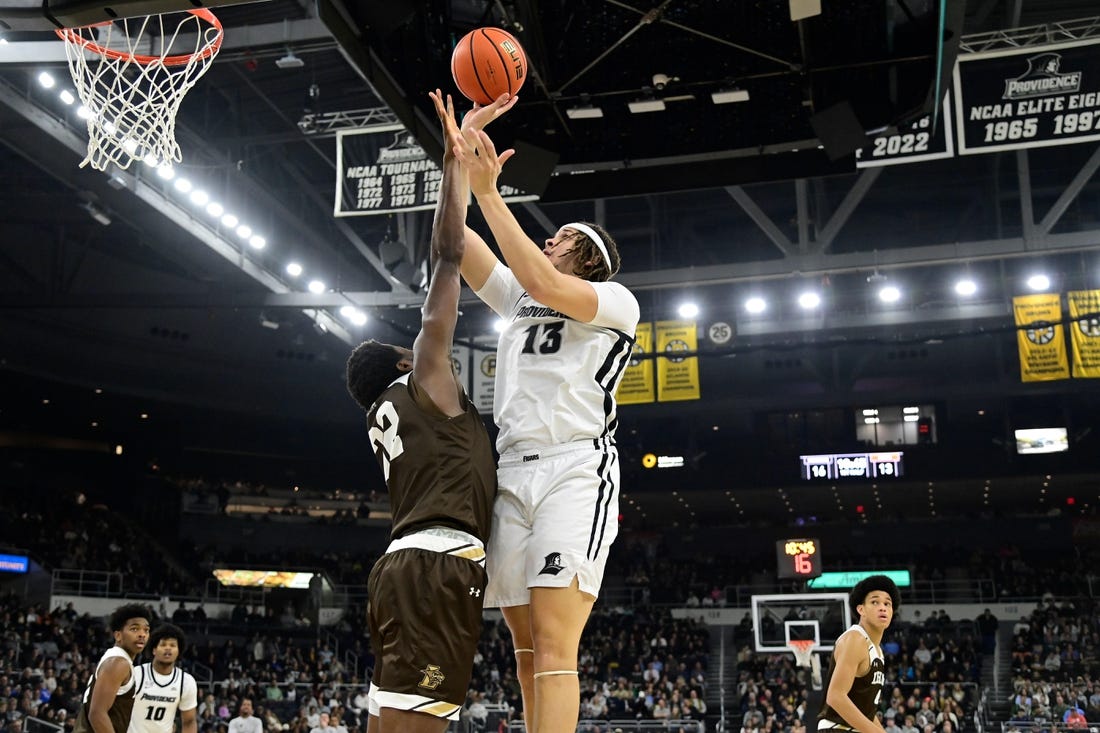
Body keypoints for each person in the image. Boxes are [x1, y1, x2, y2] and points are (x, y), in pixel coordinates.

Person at [439, 92, 640, 733]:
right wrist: (456, 164)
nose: (550, 240)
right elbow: (453, 242)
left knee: (556, 649)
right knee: (525, 656)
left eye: (563, 239)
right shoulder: (521, 298)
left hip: (574, 470)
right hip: (511, 472)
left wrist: (493, 193)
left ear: (588, 260)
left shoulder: (614, 302)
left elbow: (547, 284)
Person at [345, 89, 497, 733]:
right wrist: (453, 163)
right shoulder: (425, 379)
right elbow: (447, 256)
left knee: (390, 720)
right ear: (407, 362)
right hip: (435, 570)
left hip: (404, 568)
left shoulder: (391, 411)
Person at [817, 575, 900, 733]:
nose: (882, 607)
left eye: (887, 604)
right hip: (837, 728)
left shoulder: (877, 650)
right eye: (875, 602)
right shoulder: (856, 639)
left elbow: (865, 711)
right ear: (861, 609)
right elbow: (835, 696)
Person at [74, 603, 152, 733]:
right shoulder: (118, 663)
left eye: (146, 630)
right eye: (134, 629)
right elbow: (97, 714)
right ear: (118, 636)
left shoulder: (116, 658)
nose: (142, 634)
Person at [128, 623, 197, 733]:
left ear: (178, 651)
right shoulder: (136, 674)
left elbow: (189, 721)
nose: (168, 648)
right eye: (163, 644)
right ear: (154, 650)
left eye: (173, 645)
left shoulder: (186, 682)